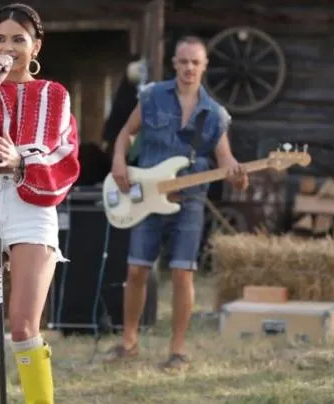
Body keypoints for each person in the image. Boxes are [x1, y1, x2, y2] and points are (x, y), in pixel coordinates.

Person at [0, 3, 80, 403]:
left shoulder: (54, 95)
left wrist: (21, 160)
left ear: (35, 47)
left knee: (22, 326)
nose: (7, 48)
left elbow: (64, 155)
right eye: (0, 39)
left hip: (33, 207)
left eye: (18, 40)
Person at [103, 35, 249, 372]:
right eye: (183, 62)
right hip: (147, 195)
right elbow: (126, 133)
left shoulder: (214, 114)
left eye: (195, 62)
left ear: (204, 66)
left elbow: (225, 159)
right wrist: (119, 161)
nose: (189, 68)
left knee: (183, 273)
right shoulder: (152, 96)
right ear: (174, 64)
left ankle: (178, 351)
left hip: (190, 202)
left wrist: (239, 176)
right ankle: (128, 342)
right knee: (136, 269)